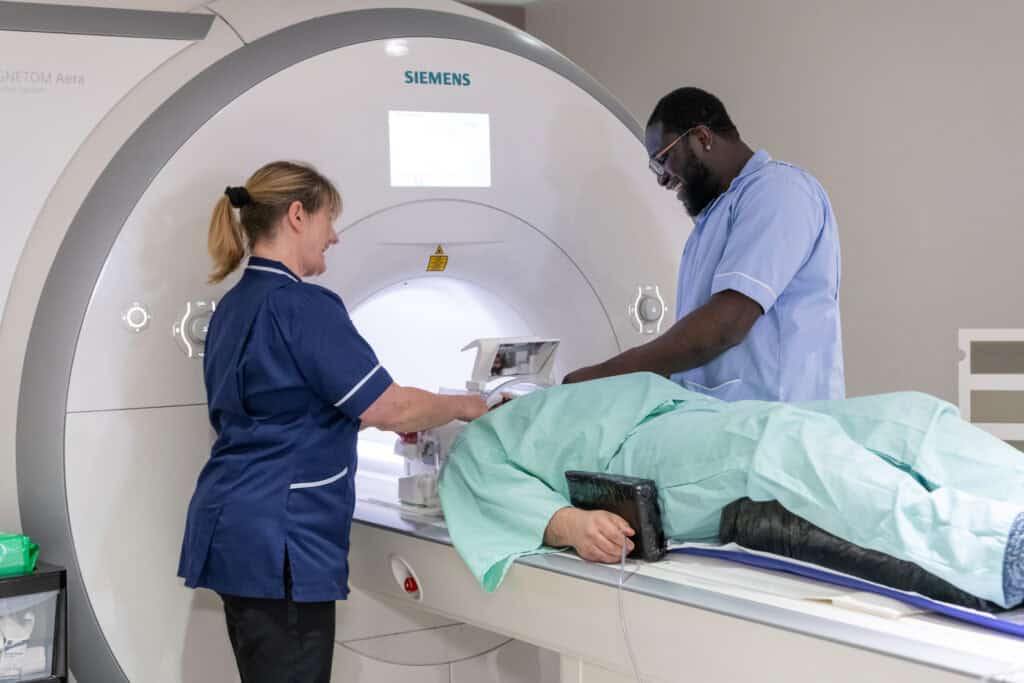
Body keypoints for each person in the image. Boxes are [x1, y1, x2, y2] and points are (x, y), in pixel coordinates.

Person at [177, 161, 487, 683]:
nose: (335, 236)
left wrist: (358, 423)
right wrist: (462, 406)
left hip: (235, 521)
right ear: (298, 215)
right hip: (283, 536)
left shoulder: (234, 305)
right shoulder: (303, 306)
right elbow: (391, 406)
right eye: (329, 220)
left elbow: (275, 411)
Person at [440, 373, 1024, 609]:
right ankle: (992, 553)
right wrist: (569, 523)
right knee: (776, 441)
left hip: (690, 410)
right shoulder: (482, 438)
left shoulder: (549, 397)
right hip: (639, 452)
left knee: (905, 416)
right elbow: (483, 488)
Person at [564, 88, 844, 403]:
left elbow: (725, 326)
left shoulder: (779, 191)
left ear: (701, 137)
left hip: (779, 428)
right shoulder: (712, 221)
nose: (661, 179)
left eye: (663, 159)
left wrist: (598, 376)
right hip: (731, 426)